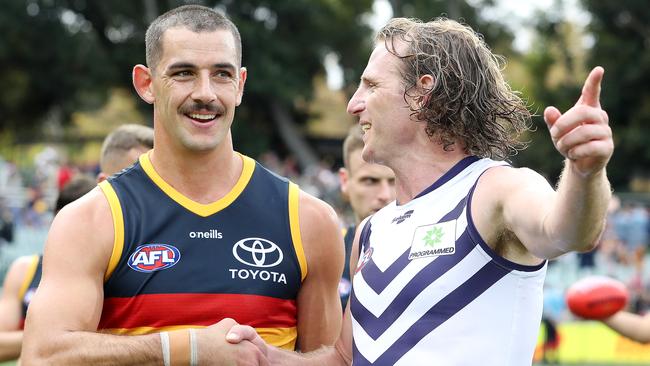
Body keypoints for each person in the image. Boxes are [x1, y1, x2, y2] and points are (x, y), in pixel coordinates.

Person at [227, 17, 614, 366]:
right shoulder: (370, 231)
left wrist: (585, 172)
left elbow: (568, 232)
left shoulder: (495, 188)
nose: (353, 105)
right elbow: (343, 359)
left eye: (371, 85)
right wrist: (267, 358)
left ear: (421, 92)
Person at [22, 5, 343, 365]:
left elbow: (329, 360)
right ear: (146, 83)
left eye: (222, 74)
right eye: (184, 73)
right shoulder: (92, 218)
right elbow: (42, 357)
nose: (205, 93)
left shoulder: (308, 219)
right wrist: (186, 349)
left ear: (240, 85)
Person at [0, 124, 153, 362]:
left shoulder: (168, 259)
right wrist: (52, 337)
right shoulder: (28, 269)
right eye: (139, 181)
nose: (150, 194)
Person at [337, 126, 395, 309]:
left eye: (394, 180)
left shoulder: (432, 253)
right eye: (370, 181)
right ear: (345, 181)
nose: (385, 195)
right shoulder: (327, 254)